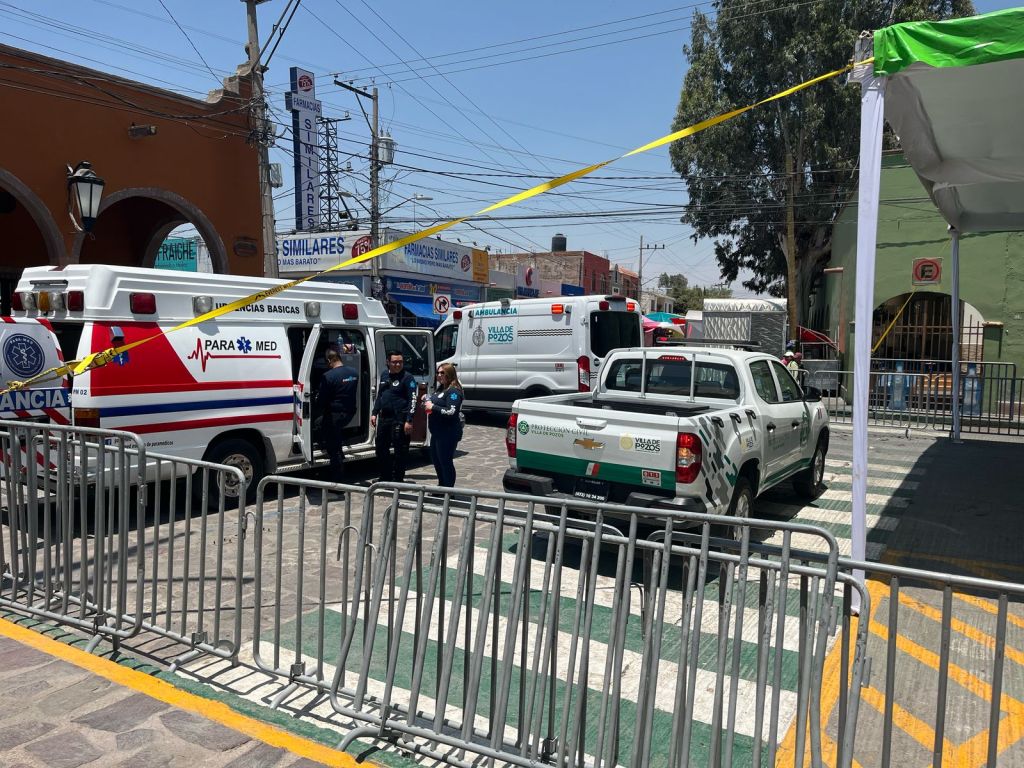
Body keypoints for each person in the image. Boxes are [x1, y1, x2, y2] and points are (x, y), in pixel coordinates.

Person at [313, 347, 358, 488]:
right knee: (331, 432)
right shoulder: (353, 373)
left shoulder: (328, 376)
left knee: (331, 445)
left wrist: (315, 399)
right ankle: (338, 450)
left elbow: (321, 400)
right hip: (349, 413)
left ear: (329, 361)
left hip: (334, 415)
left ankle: (338, 484)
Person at [370, 351, 417, 482]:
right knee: (381, 449)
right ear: (388, 362)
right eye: (395, 362)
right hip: (384, 418)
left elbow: (413, 399)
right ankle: (385, 476)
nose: (398, 364)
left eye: (400, 362)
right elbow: (380, 395)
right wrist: (374, 413)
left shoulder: (408, 378)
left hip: (400, 419)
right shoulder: (385, 375)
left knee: (400, 451)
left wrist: (409, 419)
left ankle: (398, 479)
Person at [425, 363, 464, 487]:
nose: (439, 375)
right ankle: (441, 487)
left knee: (445, 461)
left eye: (443, 373)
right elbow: (435, 402)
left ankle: (449, 490)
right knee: (436, 461)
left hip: (448, 433)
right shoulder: (441, 388)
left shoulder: (454, 391)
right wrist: (427, 401)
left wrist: (433, 407)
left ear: (450, 374)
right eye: (438, 373)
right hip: (437, 432)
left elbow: (451, 412)